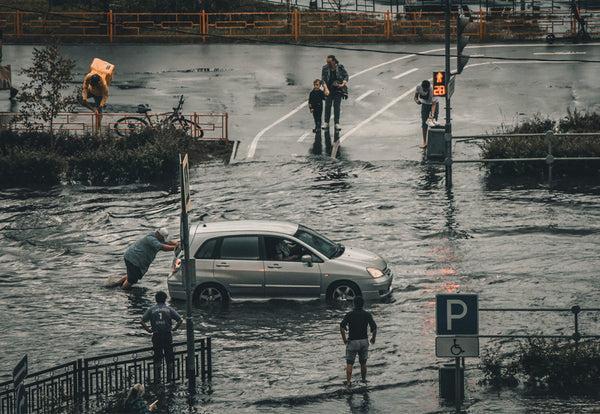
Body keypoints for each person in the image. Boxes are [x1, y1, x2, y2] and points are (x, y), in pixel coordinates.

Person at [113, 228, 180, 289]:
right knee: (132, 279)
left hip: (134, 258)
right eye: (162, 238)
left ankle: (116, 284)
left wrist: (178, 244)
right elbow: (163, 247)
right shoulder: (151, 239)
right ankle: (123, 290)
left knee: (132, 274)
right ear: (159, 235)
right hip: (133, 258)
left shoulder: (157, 237)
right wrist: (176, 248)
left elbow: (168, 241)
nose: (163, 240)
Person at [141, 291, 184, 383]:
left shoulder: (151, 309)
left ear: (156, 299)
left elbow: (142, 321)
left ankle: (157, 379)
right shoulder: (169, 309)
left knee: (157, 357)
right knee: (169, 357)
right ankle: (170, 378)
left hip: (156, 335)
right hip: (167, 334)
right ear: (165, 299)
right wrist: (174, 328)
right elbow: (180, 319)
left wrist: (148, 330)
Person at [339, 296, 377, 386]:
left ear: (354, 304)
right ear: (363, 304)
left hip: (352, 341)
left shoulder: (349, 314)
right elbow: (374, 328)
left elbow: (341, 327)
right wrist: (373, 338)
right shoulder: (367, 314)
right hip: (364, 341)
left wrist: (344, 339)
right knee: (363, 362)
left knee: (350, 363)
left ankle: (348, 383)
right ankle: (363, 380)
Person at [321, 55, 349, 131]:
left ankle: (337, 123)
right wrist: (326, 89)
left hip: (337, 89)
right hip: (329, 89)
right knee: (327, 106)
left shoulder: (340, 67)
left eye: (329, 62)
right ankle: (326, 122)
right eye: (327, 62)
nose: (328, 64)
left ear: (334, 61)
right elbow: (323, 80)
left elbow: (346, 76)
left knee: (337, 107)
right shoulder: (325, 68)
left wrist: (343, 84)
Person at [414, 80, 439, 148]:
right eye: (424, 89)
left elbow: (434, 105)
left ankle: (434, 142)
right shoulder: (418, 87)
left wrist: (432, 115)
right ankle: (425, 142)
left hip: (434, 104)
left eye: (426, 90)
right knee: (424, 123)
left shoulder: (433, 90)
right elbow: (415, 97)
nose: (425, 91)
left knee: (434, 123)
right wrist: (417, 101)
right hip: (424, 104)